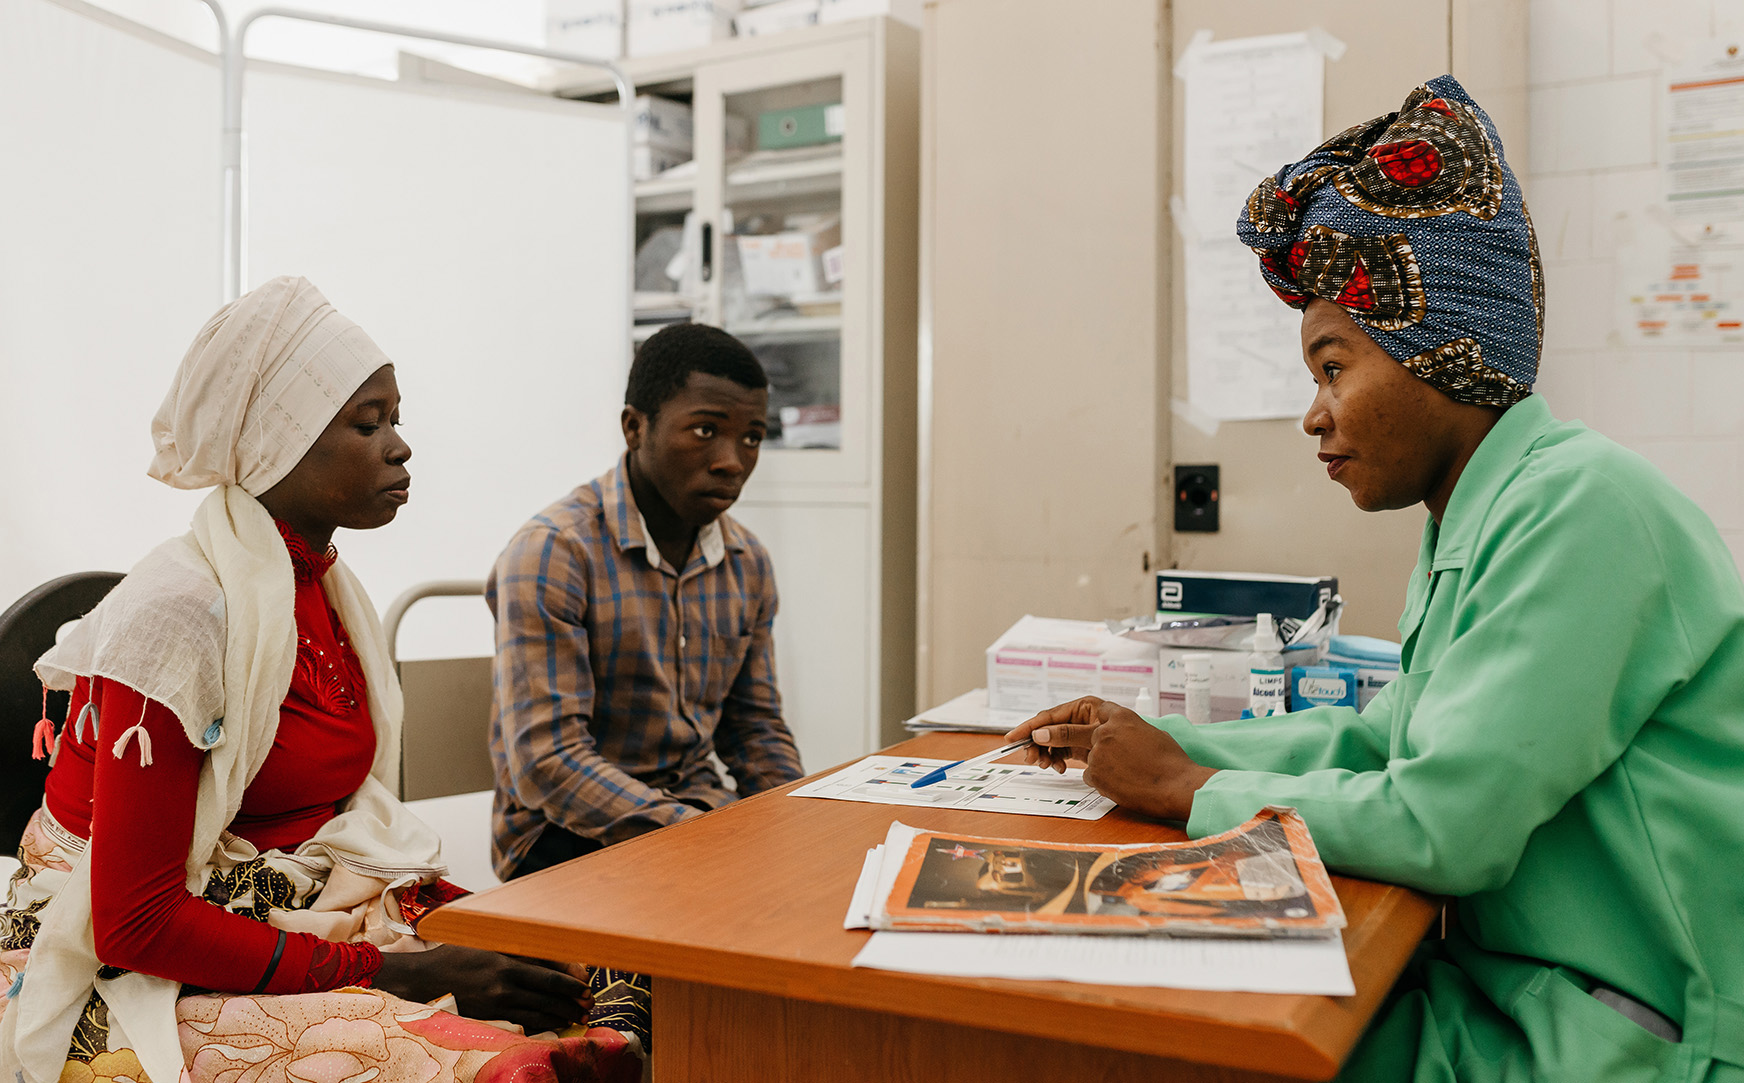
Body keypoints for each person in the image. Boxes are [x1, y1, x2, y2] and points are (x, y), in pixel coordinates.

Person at [1010, 76, 1744, 1083]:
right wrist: (1161, 742)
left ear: (1442, 354)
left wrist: (1186, 790)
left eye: (1331, 366)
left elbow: (1447, 829)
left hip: (1633, 1030)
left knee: (1176, 1044)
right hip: (1521, 987)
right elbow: (1384, 736)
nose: (1314, 414)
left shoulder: (1580, 505)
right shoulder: (1483, 514)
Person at [0, 277, 642, 1083]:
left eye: (396, 420)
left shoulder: (322, 591)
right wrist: (392, 970)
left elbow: (332, 821)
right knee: (515, 1065)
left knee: (619, 973)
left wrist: (447, 930)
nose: (399, 446)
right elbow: (134, 922)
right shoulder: (180, 617)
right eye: (367, 424)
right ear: (278, 442)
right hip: (119, 952)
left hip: (290, 899)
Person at [488, 322, 802, 881]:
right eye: (706, 431)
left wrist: (799, 819)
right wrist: (701, 832)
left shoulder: (746, 561)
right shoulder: (555, 552)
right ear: (635, 428)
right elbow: (548, 763)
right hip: (563, 836)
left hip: (697, 817)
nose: (733, 460)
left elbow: (754, 730)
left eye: (752, 437)